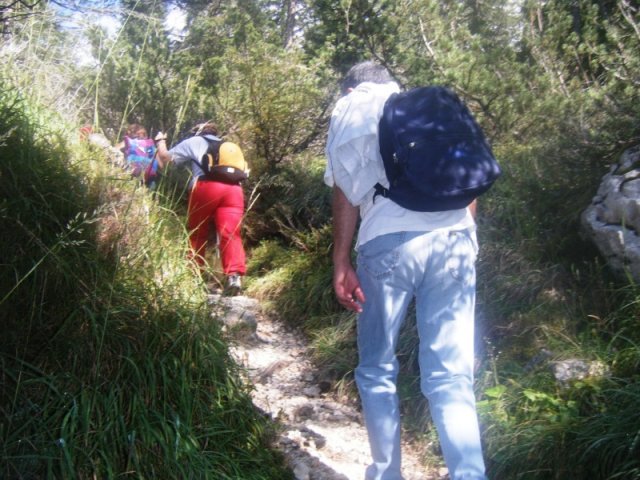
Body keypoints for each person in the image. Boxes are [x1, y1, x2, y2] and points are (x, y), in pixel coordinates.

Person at [325, 61, 487, 480]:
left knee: (378, 367)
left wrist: (341, 261)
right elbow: (464, 179)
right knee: (451, 373)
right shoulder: (425, 110)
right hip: (456, 240)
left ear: (350, 87)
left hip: (388, 242)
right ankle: (470, 475)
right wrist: (469, 239)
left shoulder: (354, 108)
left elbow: (345, 190)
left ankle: (386, 474)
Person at [155, 122, 246, 294]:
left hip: (206, 187)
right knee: (231, 233)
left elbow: (165, 160)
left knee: (197, 232)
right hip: (235, 190)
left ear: (199, 131)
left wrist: (161, 141)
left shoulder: (194, 141)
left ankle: (194, 276)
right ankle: (234, 277)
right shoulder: (227, 146)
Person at [117, 123, 159, 189]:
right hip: (143, 174)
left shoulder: (131, 142)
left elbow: (114, 149)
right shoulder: (148, 144)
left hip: (139, 173)